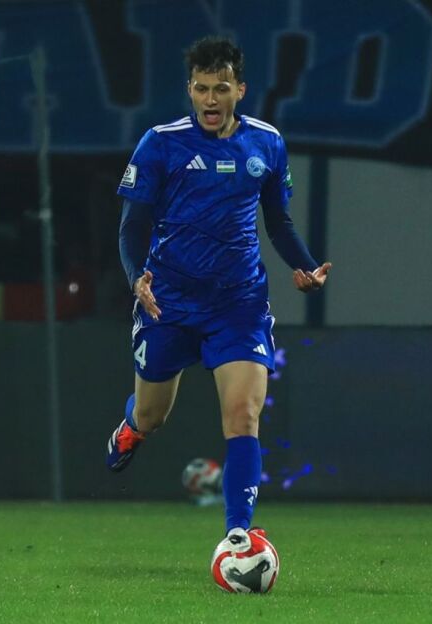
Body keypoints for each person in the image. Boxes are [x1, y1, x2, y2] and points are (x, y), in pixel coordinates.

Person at [105, 35, 331, 551]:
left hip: (238, 303)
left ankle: (237, 536)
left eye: (221, 88)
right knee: (153, 416)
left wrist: (304, 265)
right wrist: (136, 277)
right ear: (190, 89)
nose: (210, 99)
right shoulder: (160, 143)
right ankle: (131, 428)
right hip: (169, 301)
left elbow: (277, 221)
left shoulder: (266, 143)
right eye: (202, 88)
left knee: (243, 415)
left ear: (239, 91)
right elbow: (132, 226)